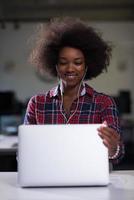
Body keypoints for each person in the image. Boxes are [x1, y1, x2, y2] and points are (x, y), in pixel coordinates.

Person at [24, 17, 124, 165]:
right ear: (55, 65)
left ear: (87, 65)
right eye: (63, 62)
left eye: (77, 63)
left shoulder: (104, 103)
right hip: (48, 177)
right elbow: (25, 152)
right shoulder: (37, 103)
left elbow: (118, 155)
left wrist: (113, 148)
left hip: (90, 177)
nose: (70, 68)